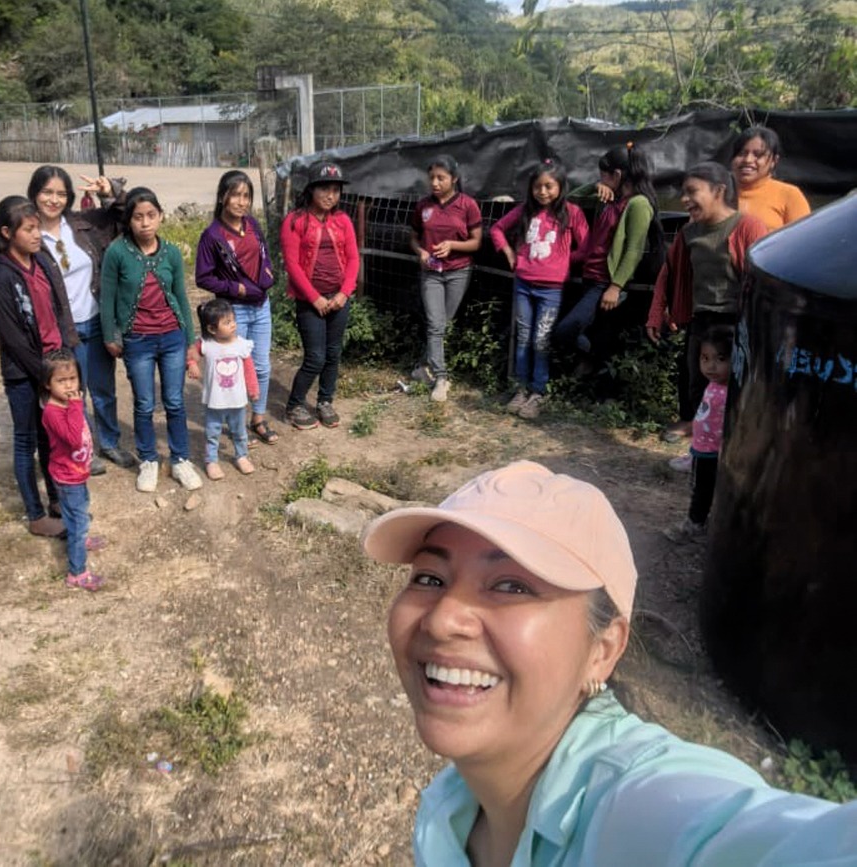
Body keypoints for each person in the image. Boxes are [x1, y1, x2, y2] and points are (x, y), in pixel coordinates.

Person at [362, 460, 857, 866]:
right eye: (429, 578)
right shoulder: (448, 809)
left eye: (511, 586)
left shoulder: (640, 809)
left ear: (602, 650)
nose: (444, 619)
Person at [647, 163, 768, 467]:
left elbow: (762, 282)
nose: (685, 199)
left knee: (736, 392)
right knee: (698, 388)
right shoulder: (689, 232)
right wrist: (657, 313)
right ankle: (699, 453)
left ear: (718, 191)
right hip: (702, 321)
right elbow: (669, 273)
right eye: (683, 192)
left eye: (692, 192)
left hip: (736, 325)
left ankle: (735, 458)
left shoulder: (748, 226)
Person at [28, 165, 137, 474]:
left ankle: (110, 442)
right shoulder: (30, 234)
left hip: (95, 319)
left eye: (61, 193)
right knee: (73, 392)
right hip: (64, 329)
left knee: (104, 389)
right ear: (34, 194)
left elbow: (125, 215)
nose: (53, 199)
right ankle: (82, 447)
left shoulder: (82, 224)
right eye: (47, 192)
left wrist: (111, 192)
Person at [0, 195, 80, 538]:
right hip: (25, 374)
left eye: (37, 227)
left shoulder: (39, 261)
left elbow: (57, 309)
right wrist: (43, 376)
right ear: (8, 232)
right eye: (29, 229)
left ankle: (56, 500)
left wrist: (63, 360)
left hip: (51, 366)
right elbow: (13, 337)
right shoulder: (0, 275)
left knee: (50, 438)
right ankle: (36, 514)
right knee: (27, 440)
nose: (37, 234)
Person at [100, 187, 202, 494]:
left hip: (171, 337)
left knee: (174, 401)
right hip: (138, 341)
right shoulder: (117, 253)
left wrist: (190, 341)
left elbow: (182, 297)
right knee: (144, 404)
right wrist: (110, 335)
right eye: (138, 217)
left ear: (160, 216)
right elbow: (108, 299)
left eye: (151, 215)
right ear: (129, 221)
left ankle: (181, 459)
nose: (145, 223)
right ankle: (148, 460)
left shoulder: (170, 252)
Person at [490, 159, 589, 420]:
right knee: (523, 337)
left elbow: (587, 247)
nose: (542, 192)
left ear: (561, 186)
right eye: (537, 186)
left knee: (541, 340)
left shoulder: (572, 213)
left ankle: (538, 391)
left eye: (549, 186)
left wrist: (565, 260)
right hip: (524, 284)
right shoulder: (525, 211)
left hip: (552, 290)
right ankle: (520, 389)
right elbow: (497, 229)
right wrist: (510, 253)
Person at [556, 143, 659, 372]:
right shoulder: (610, 200)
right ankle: (591, 366)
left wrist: (615, 286)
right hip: (589, 276)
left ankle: (592, 359)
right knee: (590, 332)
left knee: (566, 330)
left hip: (605, 282)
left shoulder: (638, 204)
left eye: (603, 174)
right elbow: (569, 202)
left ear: (618, 174)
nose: (601, 178)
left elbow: (634, 249)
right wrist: (594, 187)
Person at [194, 170, 280, 444]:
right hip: (234, 311)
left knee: (262, 366)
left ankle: (258, 417)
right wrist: (236, 289)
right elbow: (203, 276)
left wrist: (268, 274)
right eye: (235, 195)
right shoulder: (212, 235)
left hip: (261, 306)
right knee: (235, 368)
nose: (241, 202)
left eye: (246, 196)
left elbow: (264, 254)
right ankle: (236, 422)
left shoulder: (253, 225)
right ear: (223, 197)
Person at [280, 160, 360, 430]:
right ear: (311, 189)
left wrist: (344, 293)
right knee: (315, 356)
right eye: (324, 189)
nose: (330, 195)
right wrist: (314, 297)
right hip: (309, 300)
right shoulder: (295, 221)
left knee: (334, 352)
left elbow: (353, 259)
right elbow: (292, 265)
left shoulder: (343, 220)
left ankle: (325, 400)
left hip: (338, 299)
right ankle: (294, 404)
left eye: (336, 190)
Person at [408, 155, 483, 402]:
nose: (435, 183)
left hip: (458, 271)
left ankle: (421, 366)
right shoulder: (423, 206)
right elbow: (413, 237)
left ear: (454, 179)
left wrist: (452, 245)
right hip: (431, 273)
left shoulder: (468, 205)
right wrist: (421, 252)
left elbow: (476, 243)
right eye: (432, 178)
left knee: (441, 323)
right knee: (435, 323)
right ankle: (441, 378)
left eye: (441, 178)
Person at [39, 348, 107, 592]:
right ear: (47, 384)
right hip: (68, 477)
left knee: (79, 510)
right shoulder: (53, 411)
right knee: (78, 520)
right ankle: (77, 573)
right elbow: (73, 439)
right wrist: (77, 406)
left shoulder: (67, 405)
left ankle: (80, 537)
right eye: (61, 381)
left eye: (73, 379)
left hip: (76, 473)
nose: (68, 386)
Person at [665, 326, 733, 544]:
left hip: (717, 453)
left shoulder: (732, 391)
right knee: (699, 489)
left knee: (706, 491)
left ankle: (695, 525)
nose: (711, 366)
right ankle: (700, 522)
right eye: (705, 358)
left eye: (720, 359)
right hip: (702, 450)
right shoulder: (713, 384)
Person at [188, 298, 259, 481]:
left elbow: (249, 369)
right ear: (212, 329)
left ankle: (241, 456)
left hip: (237, 400)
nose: (233, 325)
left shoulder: (241, 345)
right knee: (212, 432)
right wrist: (192, 364)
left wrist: (253, 389)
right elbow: (192, 353)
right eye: (227, 322)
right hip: (214, 400)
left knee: (239, 431)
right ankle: (211, 460)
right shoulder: (206, 344)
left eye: (233, 320)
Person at [728, 126, 811, 232]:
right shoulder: (720, 191)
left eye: (758, 155)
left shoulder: (789, 195)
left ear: (774, 161)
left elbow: (803, 238)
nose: (748, 160)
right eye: (741, 153)